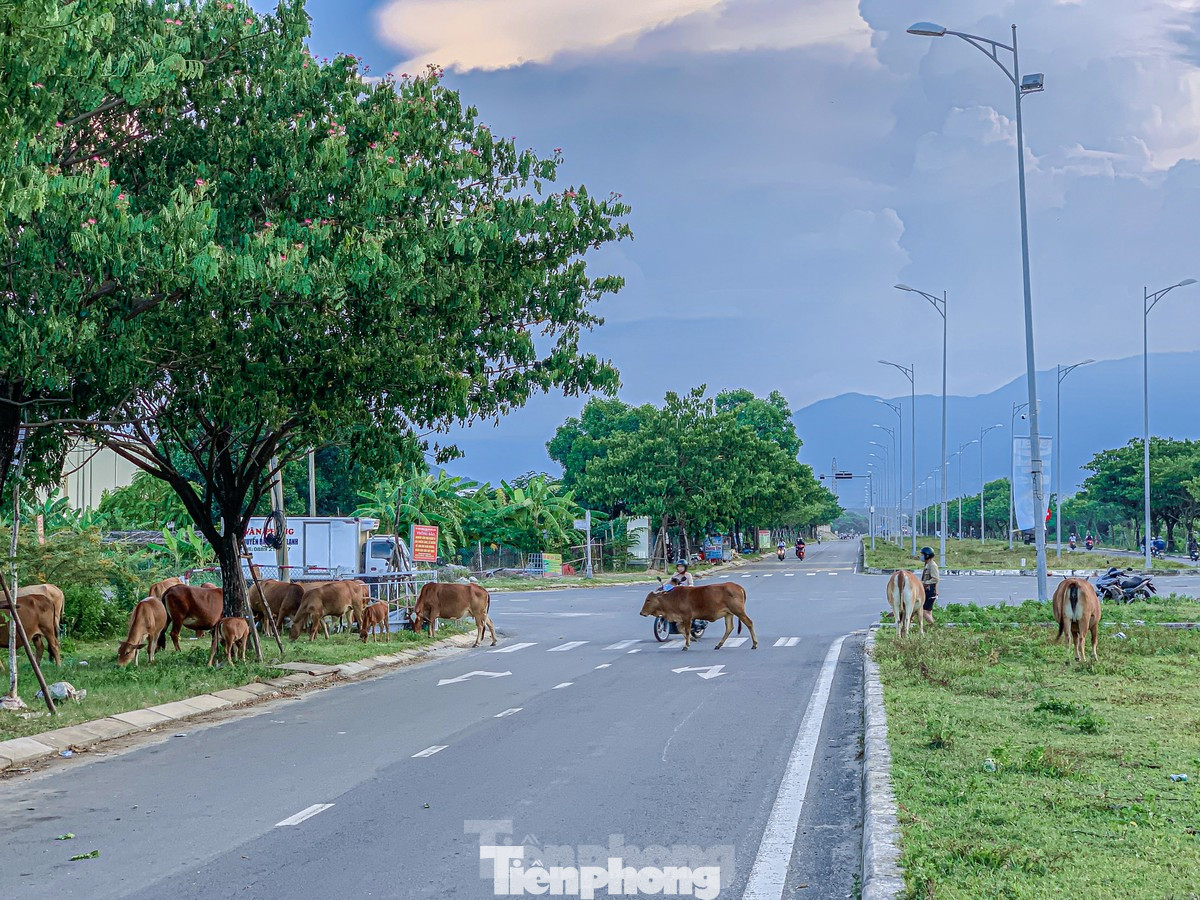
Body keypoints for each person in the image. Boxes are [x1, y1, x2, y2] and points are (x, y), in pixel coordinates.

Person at [919, 546, 939, 626]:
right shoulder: (927, 564)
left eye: (922, 555)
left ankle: (933, 625)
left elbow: (935, 579)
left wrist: (924, 582)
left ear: (927, 555)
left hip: (930, 591)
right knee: (928, 612)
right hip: (927, 590)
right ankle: (931, 627)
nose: (921, 556)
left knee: (924, 611)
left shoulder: (932, 565)